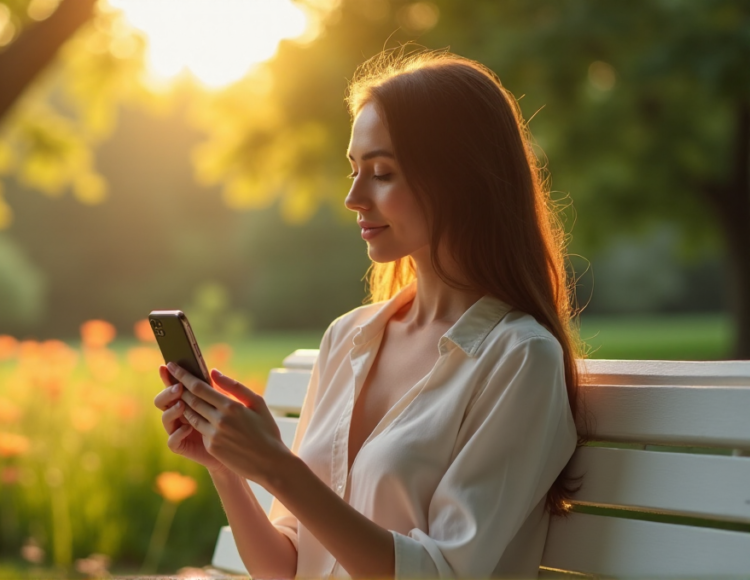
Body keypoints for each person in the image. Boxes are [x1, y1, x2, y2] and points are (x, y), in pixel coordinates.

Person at [152, 49, 583, 579]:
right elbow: (287, 567)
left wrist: (280, 469)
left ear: (461, 180)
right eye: (354, 170)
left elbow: (440, 572)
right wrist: (229, 469)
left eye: (381, 172)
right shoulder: (349, 338)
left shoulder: (518, 359)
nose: (354, 197)